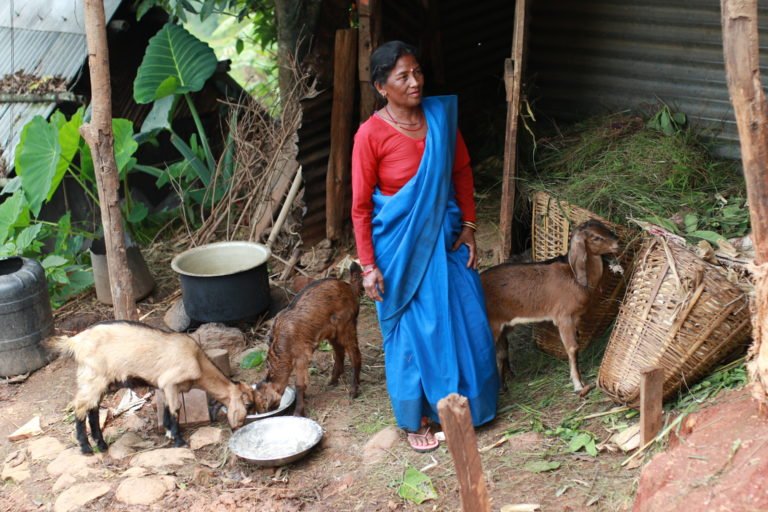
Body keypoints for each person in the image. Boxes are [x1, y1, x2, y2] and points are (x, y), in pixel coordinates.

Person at [351, 41, 499, 453]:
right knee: (412, 333)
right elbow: (361, 206)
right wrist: (368, 266)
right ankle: (418, 416)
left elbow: (462, 171)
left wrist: (469, 226)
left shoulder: (440, 118)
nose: (415, 82)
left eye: (417, 72)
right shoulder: (370, 135)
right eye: (403, 76)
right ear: (382, 87)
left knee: (465, 315)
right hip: (399, 253)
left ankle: (469, 406)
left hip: (448, 240)